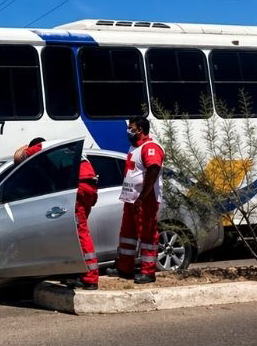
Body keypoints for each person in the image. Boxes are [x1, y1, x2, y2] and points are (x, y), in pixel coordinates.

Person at [14, 137, 100, 290]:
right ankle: (76, 272)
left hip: (78, 189)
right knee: (72, 234)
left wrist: (25, 146)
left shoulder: (42, 147)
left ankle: (91, 277)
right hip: (89, 187)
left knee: (80, 233)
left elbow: (18, 157)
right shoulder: (64, 148)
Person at [116, 116, 165, 284]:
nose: (128, 131)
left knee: (147, 234)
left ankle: (148, 272)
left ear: (140, 130)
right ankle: (125, 267)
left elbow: (153, 169)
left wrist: (142, 197)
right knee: (127, 234)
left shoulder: (150, 147)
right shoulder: (134, 147)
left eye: (131, 128)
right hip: (131, 199)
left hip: (145, 199)